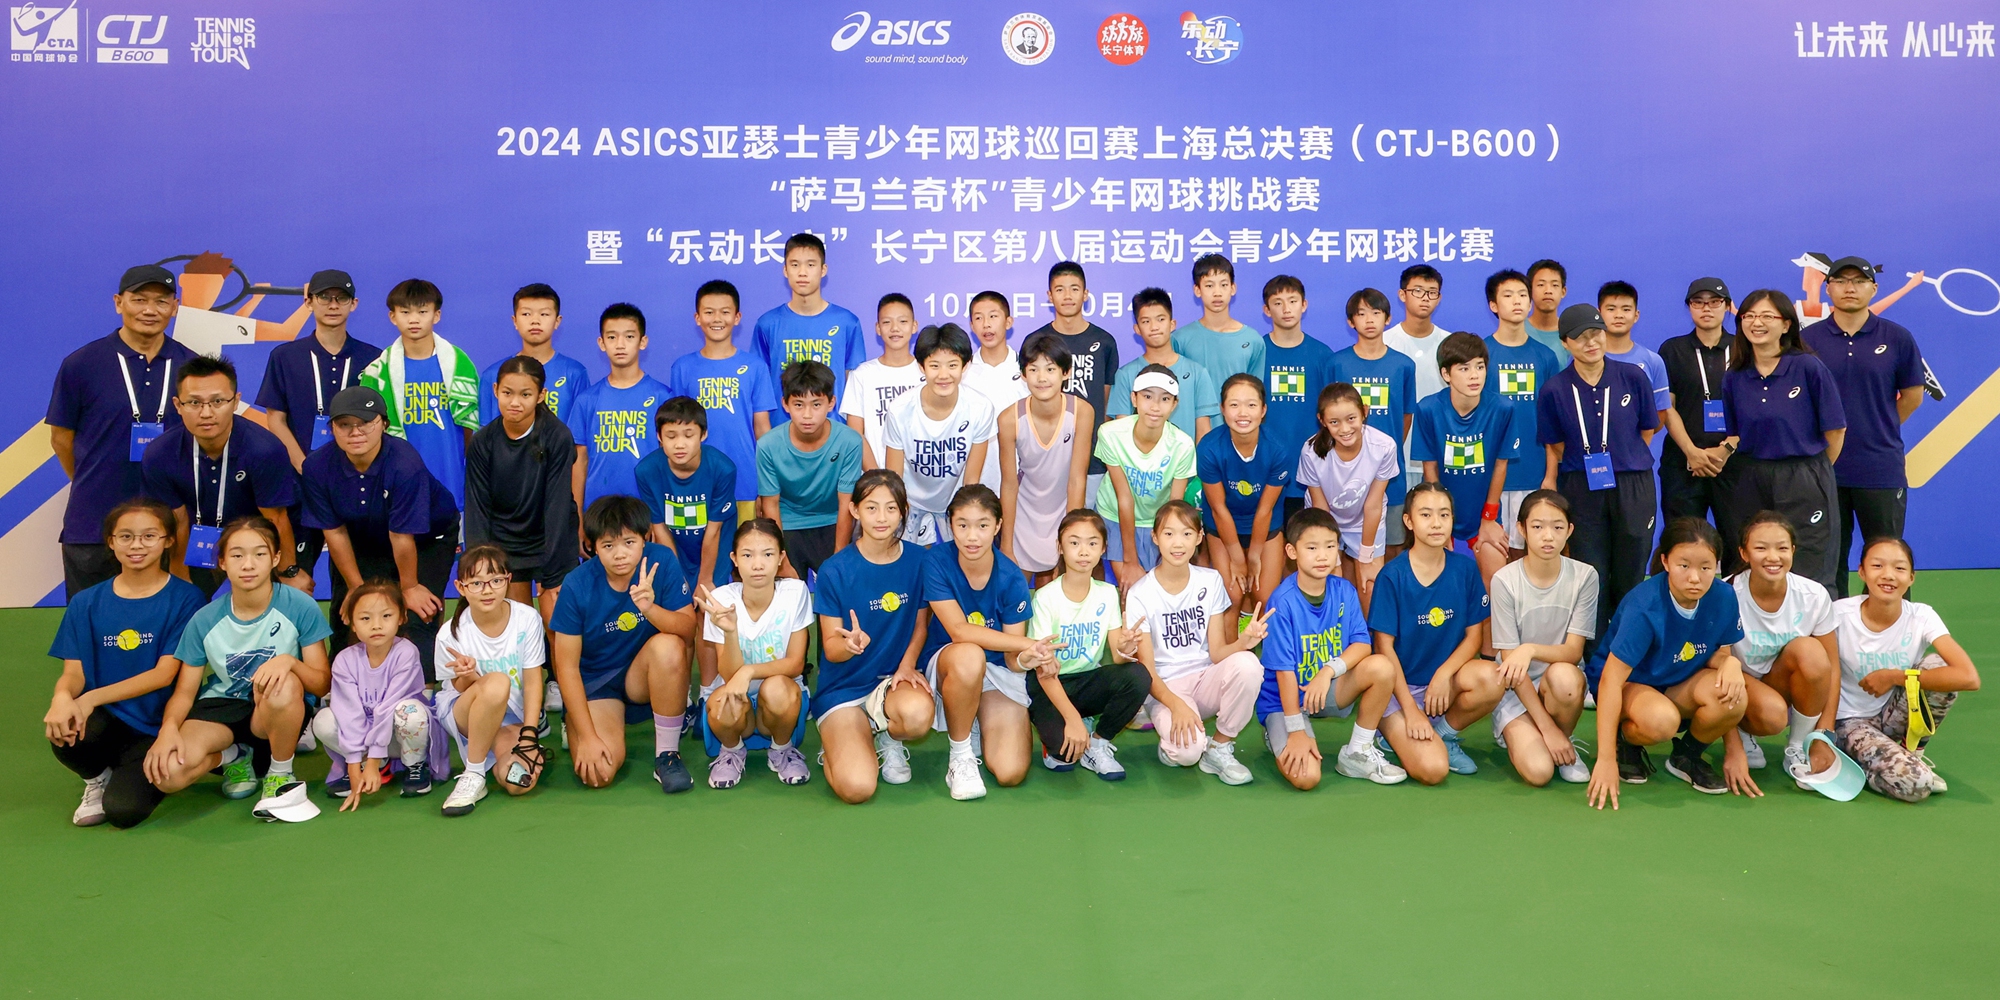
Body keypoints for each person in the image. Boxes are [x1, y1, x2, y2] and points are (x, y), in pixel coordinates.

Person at [145, 516, 332, 812]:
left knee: (283, 685)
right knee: (167, 773)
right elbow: (184, 692)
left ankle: (279, 773)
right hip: (222, 707)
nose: (248, 564)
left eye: (259, 554)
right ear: (222, 562)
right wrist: (168, 729)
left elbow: (322, 683)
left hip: (274, 707)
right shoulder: (204, 619)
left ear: (275, 559)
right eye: (237, 555)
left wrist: (288, 662)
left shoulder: (299, 606)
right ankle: (233, 756)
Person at [45, 500, 205, 828]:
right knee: (64, 727)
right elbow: (74, 673)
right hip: (106, 719)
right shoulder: (85, 603)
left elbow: (164, 674)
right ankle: (97, 777)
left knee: (123, 812)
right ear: (111, 541)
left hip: (156, 725)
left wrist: (88, 699)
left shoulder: (187, 599)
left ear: (168, 541)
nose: (137, 545)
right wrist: (62, 698)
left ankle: (135, 772)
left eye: (149, 536)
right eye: (126, 536)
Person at [48, 264, 201, 597]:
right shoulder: (82, 364)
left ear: (175, 308)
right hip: (93, 524)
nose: (150, 310)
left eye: (162, 301)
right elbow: (61, 439)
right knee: (91, 630)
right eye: (139, 299)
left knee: (167, 635)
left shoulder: (193, 367)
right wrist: (93, 478)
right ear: (119, 302)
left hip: (171, 530)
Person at [1584, 518, 1749, 807]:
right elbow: (1611, 679)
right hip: (1629, 683)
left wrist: (1731, 663)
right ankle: (1627, 743)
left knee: (1733, 696)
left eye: (1705, 567)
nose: (1695, 578)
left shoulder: (1723, 596)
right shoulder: (1645, 606)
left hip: (1676, 680)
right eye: (1684, 565)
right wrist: (1606, 758)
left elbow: (1719, 652)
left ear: (1717, 566)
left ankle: (1686, 756)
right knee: (1662, 721)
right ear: (1665, 561)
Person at [301, 387, 461, 679]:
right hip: (361, 536)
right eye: (345, 424)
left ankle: (419, 699)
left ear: (384, 424)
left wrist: (409, 587)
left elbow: (402, 536)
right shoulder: (317, 466)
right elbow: (334, 532)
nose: (355, 432)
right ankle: (339, 694)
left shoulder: (404, 462)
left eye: (365, 422)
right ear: (332, 428)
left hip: (425, 537)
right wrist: (356, 588)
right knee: (349, 612)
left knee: (414, 614)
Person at [547, 496, 697, 793]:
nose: (619, 554)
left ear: (645, 538)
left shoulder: (662, 561)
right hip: (597, 684)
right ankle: (578, 725)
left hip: (640, 676)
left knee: (669, 646)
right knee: (598, 773)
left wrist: (650, 609)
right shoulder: (577, 584)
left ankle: (667, 754)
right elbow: (565, 668)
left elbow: (688, 629)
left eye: (629, 542)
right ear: (591, 547)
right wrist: (589, 737)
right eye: (608, 546)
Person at [1801, 257, 1928, 597]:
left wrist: (1879, 425)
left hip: (1880, 467)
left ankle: (1895, 643)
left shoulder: (1898, 338)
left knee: (1887, 560)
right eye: (1841, 281)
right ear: (1828, 288)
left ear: (1873, 288)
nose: (1850, 288)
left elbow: (1913, 396)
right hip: (1823, 468)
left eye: (1859, 281)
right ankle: (1830, 646)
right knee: (1826, 563)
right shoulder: (1807, 339)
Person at [1258, 507, 1405, 789]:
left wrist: (1328, 670)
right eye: (1311, 547)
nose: (1323, 555)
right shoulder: (1282, 602)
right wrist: (1295, 729)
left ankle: (1357, 752)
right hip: (1284, 701)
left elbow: (1363, 644)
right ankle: (1276, 733)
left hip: (1327, 689)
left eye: (1329, 546)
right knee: (1308, 778)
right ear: (1291, 551)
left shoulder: (1344, 591)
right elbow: (1285, 674)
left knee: (1381, 667)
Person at [1537, 304, 1661, 637]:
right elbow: (1555, 444)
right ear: (1565, 343)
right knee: (1591, 572)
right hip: (1581, 484)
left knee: (1632, 571)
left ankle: (1631, 650)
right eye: (1581, 338)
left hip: (1633, 483)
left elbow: (1647, 430)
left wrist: (1624, 456)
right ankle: (1594, 661)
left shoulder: (1633, 376)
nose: (1591, 342)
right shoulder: (1554, 389)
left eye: (1596, 334)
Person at [811, 470, 932, 804]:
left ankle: (888, 735)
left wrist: (908, 666)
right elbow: (832, 651)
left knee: (919, 715)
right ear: (854, 511)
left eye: (891, 508)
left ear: (903, 511)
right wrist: (850, 646)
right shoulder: (834, 570)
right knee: (857, 788)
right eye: (872, 508)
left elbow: (921, 625)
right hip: (843, 690)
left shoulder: (920, 560)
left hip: (892, 683)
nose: (882, 518)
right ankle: (841, 742)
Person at [1366, 483, 1500, 784]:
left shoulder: (1465, 569)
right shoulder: (1392, 576)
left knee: (1493, 677)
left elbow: (1474, 637)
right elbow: (1384, 649)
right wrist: (1411, 710)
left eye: (1444, 514)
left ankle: (1444, 734)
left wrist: (1442, 675)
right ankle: (1392, 733)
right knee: (1433, 770)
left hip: (1445, 686)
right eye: (1426, 514)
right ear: (1409, 521)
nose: (1436, 523)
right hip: (1399, 691)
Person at [1831, 537, 1980, 803]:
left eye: (1899, 569)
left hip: (1896, 714)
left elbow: (1968, 677)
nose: (1888, 575)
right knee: (1917, 785)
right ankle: (1860, 761)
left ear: (1912, 578)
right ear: (1862, 571)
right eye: (1877, 566)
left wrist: (1894, 676)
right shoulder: (1838, 615)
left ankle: (1912, 751)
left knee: (1939, 667)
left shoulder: (1921, 616)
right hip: (1848, 722)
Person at [254, 269, 380, 578]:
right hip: (301, 481)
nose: (333, 304)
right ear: (309, 302)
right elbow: (276, 418)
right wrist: (305, 465)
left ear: (355, 304)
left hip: (355, 479)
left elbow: (379, 422)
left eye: (342, 298)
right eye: (324, 297)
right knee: (293, 573)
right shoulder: (285, 356)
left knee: (358, 574)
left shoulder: (374, 358)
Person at [1125, 501, 1262, 784]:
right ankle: (1177, 746)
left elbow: (1217, 652)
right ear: (1155, 537)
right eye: (1169, 534)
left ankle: (1219, 746)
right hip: (1164, 686)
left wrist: (1243, 642)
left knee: (1248, 664)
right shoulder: (1140, 594)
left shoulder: (1210, 581)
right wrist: (1176, 705)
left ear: (1200, 538)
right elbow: (1146, 669)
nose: (1178, 543)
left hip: (1204, 678)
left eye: (1187, 534)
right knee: (1186, 754)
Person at [919, 486, 1042, 800]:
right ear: (950, 525)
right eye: (962, 525)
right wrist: (1024, 642)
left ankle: (973, 716)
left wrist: (1028, 656)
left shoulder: (1012, 577)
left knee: (1010, 772)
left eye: (982, 525)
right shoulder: (936, 561)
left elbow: (1014, 658)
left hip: (998, 672)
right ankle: (960, 756)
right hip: (950, 664)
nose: (972, 536)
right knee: (970, 655)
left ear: (997, 527)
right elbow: (959, 630)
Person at [142, 355, 301, 596]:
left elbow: (276, 519)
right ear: (177, 405)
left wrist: (288, 573)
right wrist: (179, 578)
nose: (206, 413)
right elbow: (178, 520)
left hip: (256, 544)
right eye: (194, 403)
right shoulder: (160, 453)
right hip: (196, 546)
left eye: (217, 401)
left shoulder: (264, 449)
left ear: (236, 401)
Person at [1723, 291, 1846, 591]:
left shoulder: (1808, 367)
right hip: (1752, 478)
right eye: (1749, 316)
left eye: (1767, 316)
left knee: (1810, 567)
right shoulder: (1735, 375)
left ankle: (1813, 639)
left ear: (1787, 325)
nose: (1756, 323)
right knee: (1755, 565)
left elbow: (1835, 431)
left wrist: (1814, 472)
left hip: (1805, 476)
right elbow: (1735, 431)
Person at [689, 519, 813, 789]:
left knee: (778, 687)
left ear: (781, 558)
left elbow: (795, 664)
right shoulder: (720, 600)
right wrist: (730, 631)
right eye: (747, 555)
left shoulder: (796, 592)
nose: (758, 564)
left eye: (768, 554)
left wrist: (749, 671)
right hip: (737, 700)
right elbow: (729, 675)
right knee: (727, 701)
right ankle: (732, 751)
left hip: (781, 700)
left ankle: (782, 748)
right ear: (734, 559)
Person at [1027, 510, 1150, 779]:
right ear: (1060, 548)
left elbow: (1118, 658)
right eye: (1074, 543)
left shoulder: (1107, 593)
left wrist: (1126, 647)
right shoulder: (1045, 598)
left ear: (1103, 548)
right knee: (1064, 755)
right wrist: (1070, 718)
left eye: (1092, 543)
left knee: (1139, 675)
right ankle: (1064, 729)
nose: (1084, 551)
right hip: (1050, 685)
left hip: (1086, 680)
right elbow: (1043, 672)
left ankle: (1098, 741)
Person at [1486, 490, 1598, 786]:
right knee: (1539, 772)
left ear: (1569, 531)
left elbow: (1573, 652)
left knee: (1565, 677)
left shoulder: (1586, 577)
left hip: (1559, 685)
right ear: (1521, 529)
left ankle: (1566, 738)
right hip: (1515, 688)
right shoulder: (1504, 581)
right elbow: (1512, 666)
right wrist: (1547, 730)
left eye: (1557, 527)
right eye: (1537, 527)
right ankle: (1539, 734)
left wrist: (1530, 648)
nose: (1547, 536)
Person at [432, 545, 548, 816]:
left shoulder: (528, 619)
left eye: (496, 580)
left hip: (512, 718)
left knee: (519, 782)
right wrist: (467, 676)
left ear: (508, 580)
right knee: (497, 683)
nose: (487, 590)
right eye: (477, 583)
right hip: (465, 712)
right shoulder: (450, 634)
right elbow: (459, 689)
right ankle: (473, 775)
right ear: (461, 587)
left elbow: (533, 682)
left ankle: (505, 751)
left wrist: (529, 735)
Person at [463, 356, 579, 622]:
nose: (515, 402)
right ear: (495, 391)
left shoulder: (557, 436)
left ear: (541, 396)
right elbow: (477, 509)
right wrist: (482, 568)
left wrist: (553, 573)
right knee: (519, 626)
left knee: (556, 624)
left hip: (550, 540)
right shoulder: (482, 442)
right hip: (504, 545)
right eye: (507, 393)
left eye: (525, 394)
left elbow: (558, 505)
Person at [314, 582, 447, 809]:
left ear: (401, 617)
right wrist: (356, 765)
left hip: (401, 737)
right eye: (365, 618)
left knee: (410, 712)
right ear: (352, 623)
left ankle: (414, 765)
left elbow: (387, 708)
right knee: (323, 720)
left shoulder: (406, 652)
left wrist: (373, 760)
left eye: (386, 615)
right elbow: (349, 714)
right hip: (366, 741)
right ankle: (372, 764)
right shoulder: (345, 660)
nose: (376, 625)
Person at [1729, 512, 1838, 785]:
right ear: (1744, 553)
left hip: (1781, 683)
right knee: (1772, 715)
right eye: (1761, 548)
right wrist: (1731, 744)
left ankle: (1798, 746)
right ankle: (1742, 731)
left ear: (1793, 551)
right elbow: (1713, 669)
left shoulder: (1814, 596)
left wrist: (1824, 735)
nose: (1773, 557)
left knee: (1811, 652)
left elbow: (1832, 668)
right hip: (1739, 688)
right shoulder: (1725, 595)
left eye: (1782, 548)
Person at [357, 278, 480, 509]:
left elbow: (469, 429)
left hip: (450, 477)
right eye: (405, 312)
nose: (414, 319)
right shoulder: (378, 371)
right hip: (398, 479)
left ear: (436, 315)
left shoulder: (460, 364)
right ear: (392, 317)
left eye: (422, 311)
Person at [1409, 332, 1515, 582]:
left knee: (1499, 586)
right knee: (1439, 587)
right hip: (1442, 514)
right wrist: (1439, 520)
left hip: (1483, 515)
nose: (1474, 375)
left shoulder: (1502, 408)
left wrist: (1489, 519)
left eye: (1480, 367)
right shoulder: (1428, 408)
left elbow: (1501, 464)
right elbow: (1430, 470)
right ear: (1446, 374)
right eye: (1464, 368)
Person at [667, 279, 776, 511]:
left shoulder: (755, 366)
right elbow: (673, 430)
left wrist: (766, 487)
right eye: (709, 312)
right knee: (701, 547)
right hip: (695, 482)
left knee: (745, 546)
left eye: (725, 312)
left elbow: (762, 429)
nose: (717, 319)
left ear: (737, 317)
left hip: (745, 482)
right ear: (698, 318)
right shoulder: (683, 368)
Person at [883, 323, 997, 545]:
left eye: (952, 365)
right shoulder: (900, 409)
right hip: (909, 500)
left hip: (955, 500)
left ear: (965, 366)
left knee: (958, 567)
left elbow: (971, 480)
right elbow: (893, 478)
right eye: (934, 365)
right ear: (921, 366)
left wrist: (963, 518)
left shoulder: (980, 407)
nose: (943, 375)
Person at [1658, 278, 1740, 567]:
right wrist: (1692, 452)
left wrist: (1726, 450)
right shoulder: (1673, 350)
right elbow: (1667, 407)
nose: (1707, 308)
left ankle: (1734, 608)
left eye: (1715, 302)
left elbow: (1753, 408)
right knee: (1682, 542)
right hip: (1683, 465)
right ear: (1689, 307)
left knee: (1737, 542)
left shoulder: (1744, 348)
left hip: (1734, 464)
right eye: (1698, 302)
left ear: (1728, 307)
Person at [998, 332, 1092, 584]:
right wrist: (1006, 544)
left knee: (1054, 593)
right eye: (1034, 369)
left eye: (1050, 369)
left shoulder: (1082, 412)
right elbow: (1008, 484)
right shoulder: (1009, 420)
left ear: (1066, 372)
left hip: (1064, 508)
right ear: (1023, 374)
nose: (1042, 378)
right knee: (1014, 592)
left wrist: (1072, 537)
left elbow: (1076, 480)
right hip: (1023, 514)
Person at [757, 361, 864, 580]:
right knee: (787, 600)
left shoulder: (849, 441)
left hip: (833, 521)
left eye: (816, 404)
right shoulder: (768, 445)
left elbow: (846, 504)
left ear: (831, 403)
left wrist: (839, 555)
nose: (807, 415)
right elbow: (770, 505)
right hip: (787, 523)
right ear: (785, 404)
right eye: (798, 405)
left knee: (839, 590)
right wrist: (782, 560)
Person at [1330, 288, 1416, 555]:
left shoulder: (1403, 365)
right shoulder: (1337, 363)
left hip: (1390, 475)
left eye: (1376, 313)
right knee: (1342, 552)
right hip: (1343, 475)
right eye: (1361, 314)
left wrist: (1381, 454)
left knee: (1391, 549)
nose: (1369, 320)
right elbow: (1328, 416)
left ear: (1387, 318)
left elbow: (1405, 416)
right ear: (1350, 321)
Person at [1481, 269, 1561, 556]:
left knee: (1532, 557)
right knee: (1498, 562)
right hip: (1492, 478)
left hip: (1535, 472)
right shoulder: (1481, 354)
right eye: (1508, 295)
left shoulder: (1546, 357)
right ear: (1493, 305)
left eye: (1522, 295)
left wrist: (1551, 474)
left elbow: (1554, 422)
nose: (1517, 301)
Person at [1297, 383, 1397, 609]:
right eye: (1334, 422)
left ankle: (1369, 643)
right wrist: (1333, 554)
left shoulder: (1384, 446)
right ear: (1322, 421)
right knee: (1333, 588)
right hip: (1325, 521)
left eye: (1351, 418)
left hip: (1366, 521)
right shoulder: (1311, 451)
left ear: (1365, 411)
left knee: (1370, 587)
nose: (1344, 429)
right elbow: (1321, 508)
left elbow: (1373, 505)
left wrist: (1366, 554)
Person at [1097, 365, 1197, 590]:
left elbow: (1174, 507)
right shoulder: (1110, 433)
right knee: (1132, 592)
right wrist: (1130, 560)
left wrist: (1168, 541)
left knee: (1160, 591)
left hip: (1159, 522)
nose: (1155, 406)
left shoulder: (1182, 445)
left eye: (1164, 399)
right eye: (1147, 396)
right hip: (1115, 517)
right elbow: (1124, 497)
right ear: (1134, 398)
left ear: (1174, 404)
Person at [1026, 262, 1118, 501]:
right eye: (1060, 289)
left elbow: (1106, 401)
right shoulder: (1036, 341)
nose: (1067, 296)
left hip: (1092, 457)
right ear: (1049, 295)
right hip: (1046, 455)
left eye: (1074, 289)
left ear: (1085, 294)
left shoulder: (1104, 341)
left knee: (1085, 529)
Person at [752, 232, 865, 424]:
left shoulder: (847, 322)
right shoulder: (767, 324)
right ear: (785, 270)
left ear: (823, 270)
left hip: (834, 433)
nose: (802, 272)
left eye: (810, 265)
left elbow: (854, 384)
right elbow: (759, 386)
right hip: (783, 433)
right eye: (795, 265)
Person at [1197, 374, 1289, 610]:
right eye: (1234, 405)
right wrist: (1238, 558)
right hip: (1223, 525)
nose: (1243, 413)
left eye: (1251, 405)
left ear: (1263, 410)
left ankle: (1264, 643)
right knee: (1231, 597)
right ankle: (1231, 647)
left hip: (1265, 524)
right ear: (1222, 409)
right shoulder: (1209, 448)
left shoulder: (1277, 449)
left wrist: (1254, 555)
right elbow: (1218, 508)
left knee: (1265, 597)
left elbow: (1266, 509)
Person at [568, 303, 671, 509]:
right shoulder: (587, 399)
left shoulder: (662, 396)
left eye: (629, 337)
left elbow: (668, 461)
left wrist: (658, 515)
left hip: (646, 507)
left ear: (643, 342)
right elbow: (579, 460)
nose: (620, 344)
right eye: (612, 337)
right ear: (601, 342)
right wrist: (578, 516)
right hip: (597, 509)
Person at [1260, 275, 1336, 532]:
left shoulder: (1322, 354)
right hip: (1264, 467)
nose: (1286, 308)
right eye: (1278, 302)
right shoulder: (1256, 351)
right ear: (1266, 310)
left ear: (1304, 304)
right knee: (1268, 546)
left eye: (1292, 301)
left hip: (1309, 468)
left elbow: (1331, 412)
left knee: (1305, 544)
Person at [638, 397, 737, 591]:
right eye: (671, 436)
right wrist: (677, 577)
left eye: (688, 435)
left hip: (716, 549)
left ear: (703, 434)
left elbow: (714, 530)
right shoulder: (646, 471)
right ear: (659, 437)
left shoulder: (723, 469)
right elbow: (660, 529)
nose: (680, 445)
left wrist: (705, 580)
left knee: (708, 605)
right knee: (680, 605)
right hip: (676, 547)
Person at [1108, 287, 1218, 444]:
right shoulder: (1125, 375)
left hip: (1185, 466)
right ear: (1137, 329)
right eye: (1146, 321)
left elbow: (1203, 432)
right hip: (1138, 467)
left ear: (1172, 324)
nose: (1154, 327)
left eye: (1161, 319)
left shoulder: (1197, 373)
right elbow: (1121, 431)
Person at [476, 283, 590, 425]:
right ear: (515, 321)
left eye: (544, 314)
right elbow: (485, 432)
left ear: (557, 321)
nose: (535, 321)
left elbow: (581, 435)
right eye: (526, 314)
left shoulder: (574, 373)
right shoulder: (493, 374)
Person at [840, 292, 925, 470]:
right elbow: (856, 434)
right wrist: (878, 479)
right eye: (887, 322)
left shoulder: (927, 372)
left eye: (902, 321)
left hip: (921, 477)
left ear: (914, 326)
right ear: (878, 328)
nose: (895, 328)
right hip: (876, 478)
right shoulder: (862, 375)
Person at [1383, 264, 1446, 492]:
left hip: (1439, 455)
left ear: (1439, 298)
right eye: (1417, 290)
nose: (1425, 298)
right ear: (1402, 295)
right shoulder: (1383, 343)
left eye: (1432, 292)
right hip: (1393, 458)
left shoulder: (1449, 344)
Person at [962, 291, 1030, 487]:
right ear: (971, 325)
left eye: (993, 316)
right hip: (975, 479)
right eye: (978, 318)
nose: (986, 324)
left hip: (1021, 478)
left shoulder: (1027, 369)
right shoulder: (962, 373)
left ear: (1008, 322)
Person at [1171, 253, 1267, 380]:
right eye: (1209, 286)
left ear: (1233, 288)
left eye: (1224, 285)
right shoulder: (1180, 340)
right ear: (1197, 290)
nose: (1217, 293)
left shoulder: (1253, 340)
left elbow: (1256, 392)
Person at [1595, 280, 1671, 428]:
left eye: (1626, 309)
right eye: (1611, 309)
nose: (1619, 315)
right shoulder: (1583, 358)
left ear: (1636, 315)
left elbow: (1660, 413)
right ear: (1599, 314)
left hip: (1635, 449)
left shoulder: (1653, 361)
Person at [1524, 259, 1572, 366]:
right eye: (1541, 285)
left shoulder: (1572, 332)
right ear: (1529, 290)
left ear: (1563, 292)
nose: (1548, 291)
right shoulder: (1518, 330)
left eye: (1555, 285)